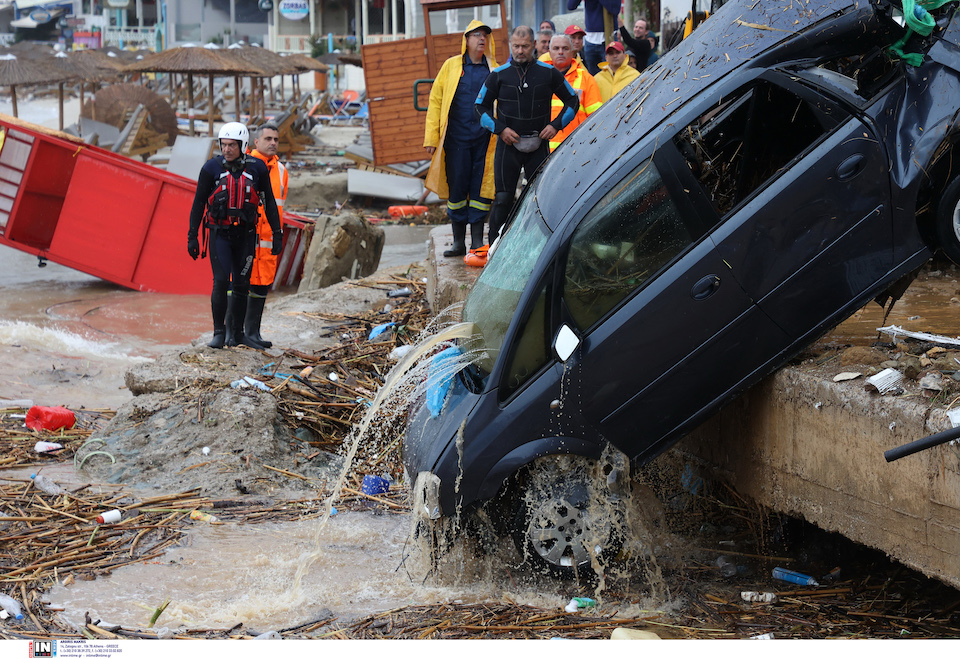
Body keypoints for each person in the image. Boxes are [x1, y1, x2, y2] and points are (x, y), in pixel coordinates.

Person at [476, 26, 579, 255]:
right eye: (516, 46)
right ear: (510, 45)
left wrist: (555, 125)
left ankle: (536, 251)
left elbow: (573, 101)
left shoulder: (548, 73)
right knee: (503, 199)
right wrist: (500, 129)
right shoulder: (499, 74)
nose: (520, 51)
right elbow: (479, 107)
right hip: (508, 145)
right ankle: (494, 249)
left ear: (533, 44)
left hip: (538, 146)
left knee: (537, 200)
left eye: (524, 46)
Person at [187, 122, 281, 349]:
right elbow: (198, 204)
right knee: (220, 282)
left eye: (232, 145)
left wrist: (277, 233)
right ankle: (219, 333)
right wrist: (192, 236)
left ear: (243, 145)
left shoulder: (257, 168)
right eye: (223, 144)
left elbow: (269, 203)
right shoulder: (211, 168)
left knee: (241, 284)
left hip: (246, 236)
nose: (227, 149)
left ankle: (239, 335)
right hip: (220, 236)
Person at [424, 19, 499, 260]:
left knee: (481, 190)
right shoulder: (451, 66)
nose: (481, 39)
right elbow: (435, 100)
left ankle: (477, 242)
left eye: (484, 36)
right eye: (476, 35)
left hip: (485, 142)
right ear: (465, 40)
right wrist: (431, 138)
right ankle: (458, 243)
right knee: (457, 189)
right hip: (456, 140)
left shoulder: (494, 69)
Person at [244, 122, 288, 349]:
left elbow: (278, 206)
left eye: (276, 140)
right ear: (256, 142)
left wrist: (278, 235)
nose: (273, 143)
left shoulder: (281, 171)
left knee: (262, 287)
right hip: (248, 239)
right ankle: (240, 333)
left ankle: (254, 333)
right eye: (268, 139)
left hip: (268, 241)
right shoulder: (244, 166)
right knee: (242, 285)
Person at [547, 33, 603, 151]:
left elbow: (596, 118)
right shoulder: (539, 77)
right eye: (556, 48)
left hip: (575, 150)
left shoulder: (586, 79)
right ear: (550, 52)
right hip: (544, 151)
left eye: (565, 48)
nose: (560, 52)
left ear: (572, 52)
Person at [566, 0, 621, 75]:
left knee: (612, 74)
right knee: (592, 76)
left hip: (608, 38)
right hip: (590, 40)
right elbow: (571, 6)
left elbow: (615, 9)